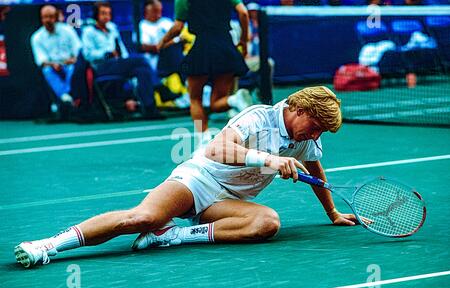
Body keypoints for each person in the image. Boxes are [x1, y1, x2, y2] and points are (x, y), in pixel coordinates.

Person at [14, 86, 364, 269]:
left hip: (228, 203)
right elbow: (217, 149)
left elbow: (316, 166)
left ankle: (172, 236)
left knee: (267, 223)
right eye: (315, 126)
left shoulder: (305, 139)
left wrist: (331, 213)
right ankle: (47, 246)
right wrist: (270, 159)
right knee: (143, 218)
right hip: (198, 180)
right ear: (299, 110)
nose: (315, 136)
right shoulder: (259, 118)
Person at [157, 0, 253, 147]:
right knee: (216, 103)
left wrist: (162, 42)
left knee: (195, 99)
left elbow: (178, 27)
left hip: (202, 46)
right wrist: (244, 40)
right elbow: (243, 13)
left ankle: (204, 140)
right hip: (225, 45)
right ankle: (234, 99)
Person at [81, 1, 164, 120]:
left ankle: (149, 108)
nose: (107, 17)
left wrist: (124, 59)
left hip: (118, 64)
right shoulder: (88, 32)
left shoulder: (112, 28)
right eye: (103, 13)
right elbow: (88, 55)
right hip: (101, 67)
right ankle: (160, 87)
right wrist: (107, 53)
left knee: (142, 70)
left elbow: (122, 49)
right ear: (95, 15)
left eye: (108, 14)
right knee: (141, 60)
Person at [30, 5, 82, 119]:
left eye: (50, 17)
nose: (48, 20)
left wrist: (72, 60)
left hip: (70, 64)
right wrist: (53, 64)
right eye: (45, 17)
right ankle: (66, 97)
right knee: (47, 70)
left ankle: (68, 95)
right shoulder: (37, 37)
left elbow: (78, 50)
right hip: (52, 66)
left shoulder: (68, 30)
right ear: (41, 18)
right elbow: (41, 61)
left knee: (74, 68)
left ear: (56, 17)